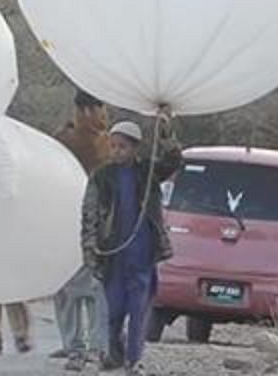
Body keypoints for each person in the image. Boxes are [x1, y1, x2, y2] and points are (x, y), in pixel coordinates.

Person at [81, 119, 182, 375]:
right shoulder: (101, 176)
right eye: (113, 146)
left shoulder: (148, 172)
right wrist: (90, 247)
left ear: (135, 148)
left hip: (143, 253)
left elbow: (173, 162)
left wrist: (166, 134)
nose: (116, 151)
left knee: (139, 310)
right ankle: (115, 352)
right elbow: (89, 214)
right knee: (114, 310)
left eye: (122, 147)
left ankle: (135, 360)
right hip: (112, 255)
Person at [51, 90, 112, 371]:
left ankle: (92, 347)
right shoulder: (65, 139)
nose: (88, 115)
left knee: (93, 288)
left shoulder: (109, 143)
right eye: (83, 108)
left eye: (93, 107)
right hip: (69, 220)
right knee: (70, 288)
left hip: (96, 224)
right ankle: (78, 347)